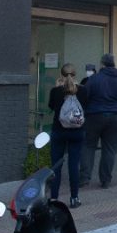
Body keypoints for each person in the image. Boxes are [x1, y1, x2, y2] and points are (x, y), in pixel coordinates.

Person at [80, 53, 117, 189]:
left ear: (102, 64)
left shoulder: (93, 79)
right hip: (116, 118)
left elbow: (83, 97)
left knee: (88, 146)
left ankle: (84, 178)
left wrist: (83, 112)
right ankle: (105, 180)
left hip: (94, 116)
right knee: (110, 149)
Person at [48, 63, 88, 208]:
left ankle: (53, 199)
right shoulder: (83, 91)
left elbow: (51, 107)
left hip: (59, 132)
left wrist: (57, 87)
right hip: (77, 133)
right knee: (73, 165)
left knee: (56, 166)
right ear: (75, 75)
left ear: (61, 75)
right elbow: (86, 108)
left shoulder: (56, 91)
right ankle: (74, 198)